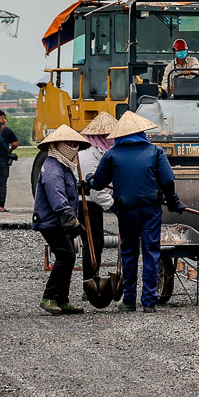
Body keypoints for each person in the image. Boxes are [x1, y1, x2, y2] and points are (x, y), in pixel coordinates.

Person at [88, 111, 185, 313]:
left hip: (126, 211)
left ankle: (129, 300)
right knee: (151, 253)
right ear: (142, 132)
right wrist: (174, 202)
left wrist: (88, 180)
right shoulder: (155, 152)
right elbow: (168, 180)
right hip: (150, 210)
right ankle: (149, 301)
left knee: (129, 253)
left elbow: (98, 183)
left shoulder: (112, 154)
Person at [32, 125, 91, 315]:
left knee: (68, 257)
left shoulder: (64, 166)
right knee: (66, 256)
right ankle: (49, 297)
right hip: (52, 220)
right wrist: (67, 215)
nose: (73, 147)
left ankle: (62, 299)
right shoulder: (52, 168)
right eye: (70, 144)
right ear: (58, 145)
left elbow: (66, 189)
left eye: (75, 144)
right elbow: (56, 194)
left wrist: (79, 186)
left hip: (60, 219)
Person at [77, 112, 118, 284]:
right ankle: (90, 281)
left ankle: (93, 277)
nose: (111, 139)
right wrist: (112, 205)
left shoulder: (99, 151)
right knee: (92, 245)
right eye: (108, 136)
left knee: (97, 243)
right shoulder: (88, 154)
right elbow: (94, 188)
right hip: (86, 204)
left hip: (94, 204)